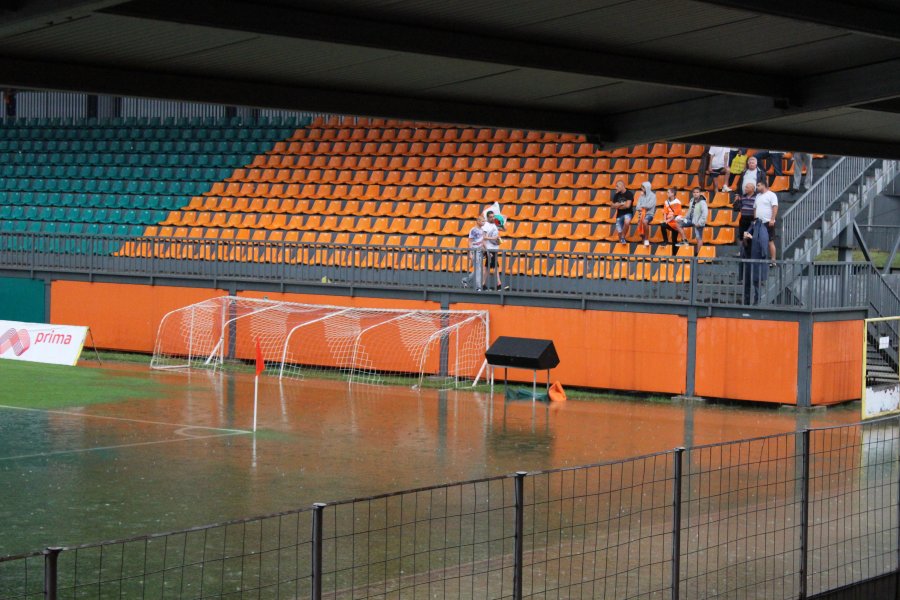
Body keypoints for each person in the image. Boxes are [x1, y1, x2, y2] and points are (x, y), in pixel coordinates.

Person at [482, 211, 508, 291]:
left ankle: (483, 285)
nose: (492, 218)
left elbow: (505, 230)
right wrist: (494, 238)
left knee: (488, 267)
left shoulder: (496, 223)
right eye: (490, 217)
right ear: (487, 217)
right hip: (489, 249)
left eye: (493, 216)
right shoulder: (485, 225)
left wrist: (502, 223)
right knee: (495, 266)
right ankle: (499, 285)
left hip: (495, 248)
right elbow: (484, 237)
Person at [754, 179, 779, 264]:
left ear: (764, 185)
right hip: (758, 223)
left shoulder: (771, 195)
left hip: (768, 222)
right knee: (758, 241)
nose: (757, 187)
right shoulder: (757, 196)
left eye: (758, 185)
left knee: (770, 241)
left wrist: (772, 219)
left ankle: (773, 260)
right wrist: (755, 219)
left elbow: (775, 207)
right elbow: (755, 208)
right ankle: (761, 259)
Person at [731, 181, 757, 256]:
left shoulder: (757, 197)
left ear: (752, 189)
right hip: (743, 218)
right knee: (742, 235)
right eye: (745, 187)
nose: (745, 189)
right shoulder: (742, 196)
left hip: (752, 219)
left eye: (747, 187)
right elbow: (737, 207)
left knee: (751, 235)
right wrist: (737, 202)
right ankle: (742, 251)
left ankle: (751, 251)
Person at [462, 215, 485, 291]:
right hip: (474, 251)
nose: (484, 222)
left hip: (480, 251)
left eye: (484, 221)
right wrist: (470, 253)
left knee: (478, 269)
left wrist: (485, 250)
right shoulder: (473, 230)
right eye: (482, 221)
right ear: (478, 221)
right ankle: (478, 287)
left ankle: (465, 280)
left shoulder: (482, 230)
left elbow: (481, 241)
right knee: (478, 269)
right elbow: (469, 241)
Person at [633, 180, 657, 246]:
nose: (642, 189)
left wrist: (642, 205)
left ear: (647, 188)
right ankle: (643, 240)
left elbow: (650, 206)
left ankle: (646, 239)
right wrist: (642, 207)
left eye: (643, 188)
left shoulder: (653, 196)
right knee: (641, 221)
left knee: (645, 221)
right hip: (641, 214)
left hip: (649, 214)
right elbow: (637, 207)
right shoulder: (641, 196)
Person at [611, 179, 634, 244]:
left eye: (617, 186)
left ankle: (623, 237)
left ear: (622, 186)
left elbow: (627, 206)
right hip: (619, 214)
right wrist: (621, 204)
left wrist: (617, 205)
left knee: (627, 222)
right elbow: (612, 206)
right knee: (619, 233)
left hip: (628, 213)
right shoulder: (616, 194)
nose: (616, 188)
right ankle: (621, 242)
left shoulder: (629, 194)